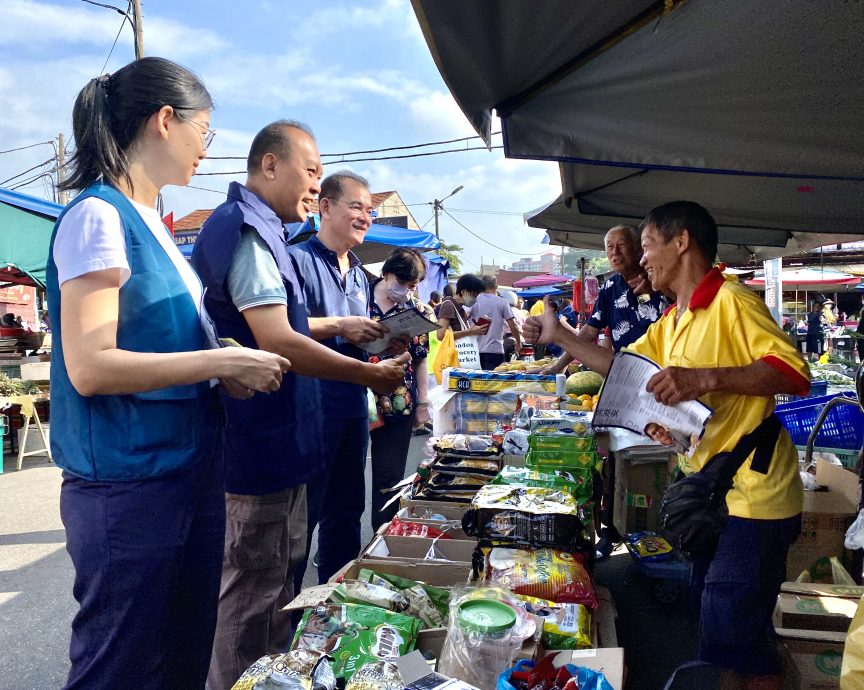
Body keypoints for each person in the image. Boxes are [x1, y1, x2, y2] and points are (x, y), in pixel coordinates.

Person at [47, 57, 291, 690]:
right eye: (203, 131)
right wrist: (220, 361)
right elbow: (92, 366)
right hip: (129, 486)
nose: (205, 149)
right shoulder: (98, 218)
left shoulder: (152, 222)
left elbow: (160, 345)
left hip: (184, 469)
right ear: (165, 121)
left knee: (181, 655)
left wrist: (218, 371)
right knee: (121, 665)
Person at [525, 201, 809, 690]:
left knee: (731, 639)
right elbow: (623, 367)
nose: (643, 258)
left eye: (649, 244)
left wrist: (704, 378)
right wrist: (562, 337)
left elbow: (793, 372)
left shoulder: (732, 302)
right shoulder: (675, 318)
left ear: (682, 242)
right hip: (711, 492)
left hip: (755, 497)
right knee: (729, 631)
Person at [192, 122, 407, 689]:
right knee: (254, 592)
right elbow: (279, 339)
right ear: (269, 165)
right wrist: (369, 374)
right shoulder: (253, 234)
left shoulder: (269, 235)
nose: (313, 185)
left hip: (293, 431)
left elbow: (280, 324)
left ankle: (282, 667)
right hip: (263, 437)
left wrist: (352, 333)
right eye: (311, 172)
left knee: (279, 579)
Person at [287, 171, 397, 586]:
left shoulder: (359, 274)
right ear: (325, 206)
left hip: (353, 409)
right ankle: (289, 624)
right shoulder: (296, 260)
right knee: (302, 523)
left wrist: (385, 340)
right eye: (356, 206)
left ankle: (335, 609)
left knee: (346, 514)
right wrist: (342, 325)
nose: (365, 217)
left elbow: (356, 337)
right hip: (309, 411)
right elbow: (281, 328)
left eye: (370, 210)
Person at [544, 224, 668, 374]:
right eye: (610, 247)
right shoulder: (610, 287)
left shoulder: (660, 278)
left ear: (637, 248)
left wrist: (657, 287)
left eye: (621, 245)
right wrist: (558, 366)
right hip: (626, 373)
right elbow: (590, 330)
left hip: (665, 372)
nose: (615, 252)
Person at [368, 248, 431, 528]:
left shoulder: (416, 310)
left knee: (388, 478)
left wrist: (423, 404)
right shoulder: (356, 296)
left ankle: (380, 538)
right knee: (343, 478)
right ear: (386, 272)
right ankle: (335, 545)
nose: (405, 290)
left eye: (412, 286)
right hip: (356, 399)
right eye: (402, 282)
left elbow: (420, 360)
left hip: (397, 402)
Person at [470, 275, 521, 370]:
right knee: (493, 383)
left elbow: (465, 318)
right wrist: (518, 342)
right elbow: (513, 325)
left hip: (475, 351)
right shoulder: (502, 302)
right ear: (496, 286)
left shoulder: (474, 302)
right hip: (495, 351)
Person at [436, 273, 488, 342]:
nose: (475, 299)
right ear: (463, 291)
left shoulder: (461, 309)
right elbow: (440, 335)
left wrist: (475, 329)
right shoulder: (448, 305)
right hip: (453, 351)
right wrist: (469, 332)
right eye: (474, 295)